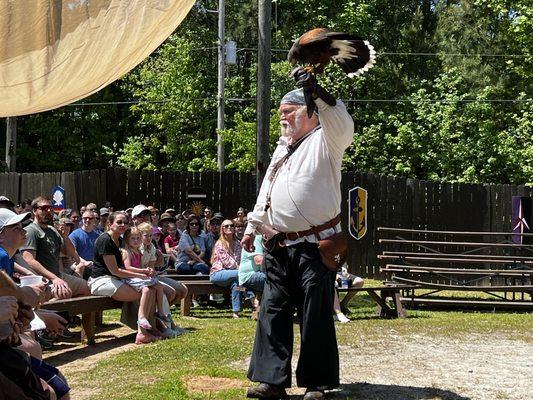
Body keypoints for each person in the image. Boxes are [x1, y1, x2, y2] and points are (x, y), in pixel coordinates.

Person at [242, 69, 354, 400]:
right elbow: (268, 188)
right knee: (272, 310)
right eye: (280, 114)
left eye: (287, 112)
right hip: (278, 245)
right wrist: (252, 226)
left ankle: (316, 384)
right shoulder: (283, 147)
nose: (282, 118)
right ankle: (272, 381)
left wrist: (315, 89)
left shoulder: (327, 140)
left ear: (308, 112)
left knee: (314, 313)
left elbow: (343, 121)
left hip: (315, 246)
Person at [88, 211, 158, 344]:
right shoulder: (105, 240)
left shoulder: (119, 240)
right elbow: (116, 271)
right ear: (110, 223)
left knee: (151, 291)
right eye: (119, 222)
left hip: (115, 279)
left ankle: (150, 329)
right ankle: (143, 333)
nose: (122, 225)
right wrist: (142, 274)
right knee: (145, 293)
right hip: (101, 281)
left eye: (125, 222)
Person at [20, 197, 90, 299]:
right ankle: (56, 314)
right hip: (43, 279)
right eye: (44, 208)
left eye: (50, 208)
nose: (48, 211)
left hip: (58, 275)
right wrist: (54, 278)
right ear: (34, 211)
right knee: (63, 293)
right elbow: (29, 260)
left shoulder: (52, 230)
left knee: (88, 288)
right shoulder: (31, 231)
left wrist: (65, 236)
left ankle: (70, 314)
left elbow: (69, 253)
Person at [121, 226, 174, 338]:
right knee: (146, 290)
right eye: (133, 238)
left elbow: (149, 265)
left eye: (137, 238)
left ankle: (160, 313)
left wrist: (149, 271)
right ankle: (142, 317)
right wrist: (143, 271)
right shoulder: (127, 252)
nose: (136, 241)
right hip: (131, 277)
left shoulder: (141, 251)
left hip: (139, 276)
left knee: (159, 287)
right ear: (127, 240)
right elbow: (128, 268)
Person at [210, 220, 243, 318]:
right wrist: (240, 268)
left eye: (232, 225)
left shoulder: (238, 243)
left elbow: (240, 259)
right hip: (218, 274)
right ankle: (252, 298)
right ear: (222, 229)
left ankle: (235, 312)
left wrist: (240, 267)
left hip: (233, 274)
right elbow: (228, 263)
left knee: (237, 284)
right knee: (242, 274)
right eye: (226, 226)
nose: (229, 227)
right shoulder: (220, 243)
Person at [238, 235, 265, 319]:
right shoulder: (257, 238)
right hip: (248, 276)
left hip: (258, 273)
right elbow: (258, 261)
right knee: (275, 279)